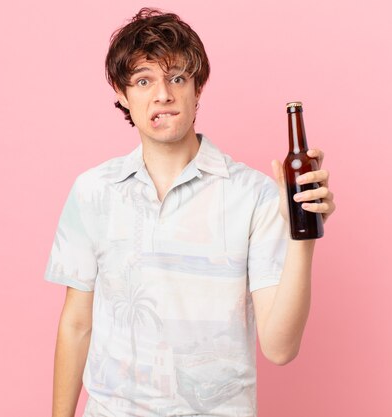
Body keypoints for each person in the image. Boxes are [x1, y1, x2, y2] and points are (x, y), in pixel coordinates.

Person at [45, 7, 336, 417]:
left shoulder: (254, 195)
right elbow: (77, 324)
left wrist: (302, 238)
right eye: (144, 80)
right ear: (121, 94)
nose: (162, 93)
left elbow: (280, 348)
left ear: (198, 88)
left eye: (177, 77)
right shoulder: (93, 191)